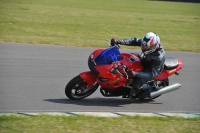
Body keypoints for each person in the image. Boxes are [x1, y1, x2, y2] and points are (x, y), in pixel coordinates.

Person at [110, 32, 165, 99]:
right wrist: (119, 41)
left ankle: (148, 88)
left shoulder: (158, 57)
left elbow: (152, 74)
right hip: (145, 58)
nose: (143, 47)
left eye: (146, 46)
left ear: (153, 46)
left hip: (151, 69)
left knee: (136, 84)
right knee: (128, 57)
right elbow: (134, 40)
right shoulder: (147, 44)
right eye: (143, 45)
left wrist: (136, 74)